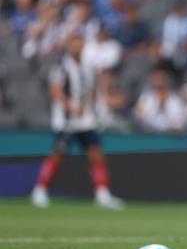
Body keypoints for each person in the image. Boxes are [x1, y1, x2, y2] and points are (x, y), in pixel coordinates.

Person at [30, 32, 125, 210]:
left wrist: (96, 109)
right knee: (58, 154)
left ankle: (102, 193)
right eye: (74, 42)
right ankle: (40, 190)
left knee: (96, 153)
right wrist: (70, 107)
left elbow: (91, 90)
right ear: (68, 45)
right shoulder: (61, 67)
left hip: (86, 120)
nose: (77, 45)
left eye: (80, 42)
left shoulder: (88, 66)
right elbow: (55, 91)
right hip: (67, 120)